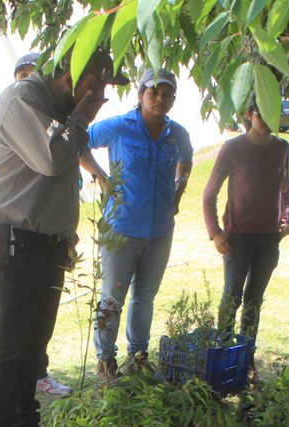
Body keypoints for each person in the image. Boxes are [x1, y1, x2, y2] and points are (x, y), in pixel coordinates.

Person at [0, 49, 124, 427]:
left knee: (33, 345)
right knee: (7, 347)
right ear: (69, 75)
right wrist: (81, 116)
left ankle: (23, 425)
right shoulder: (23, 100)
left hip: (44, 244)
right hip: (11, 244)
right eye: (93, 85)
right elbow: (51, 159)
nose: (98, 95)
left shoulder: (57, 111)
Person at [81, 67, 194, 381]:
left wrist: (180, 187)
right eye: (153, 92)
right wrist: (101, 177)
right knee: (112, 298)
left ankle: (138, 357)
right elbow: (79, 141)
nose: (160, 99)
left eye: (167, 93)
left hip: (160, 231)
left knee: (145, 297)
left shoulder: (177, 133)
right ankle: (106, 362)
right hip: (121, 229)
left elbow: (187, 156)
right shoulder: (120, 127)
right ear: (140, 94)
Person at [9, 52, 74, 399]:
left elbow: (62, 175)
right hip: (13, 238)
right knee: (11, 330)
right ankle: (13, 401)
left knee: (40, 322)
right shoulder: (9, 113)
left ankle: (37, 376)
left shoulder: (51, 124)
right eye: (23, 75)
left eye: (34, 75)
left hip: (47, 237)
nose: (28, 82)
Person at [201, 99, 289, 341]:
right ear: (250, 114)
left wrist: (286, 218)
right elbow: (209, 194)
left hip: (270, 239)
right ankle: (222, 351)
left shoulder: (282, 147)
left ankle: (246, 355)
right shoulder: (232, 148)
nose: (270, 119)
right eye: (264, 113)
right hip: (237, 239)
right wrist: (215, 232)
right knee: (232, 297)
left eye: (276, 113)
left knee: (254, 301)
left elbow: (286, 190)